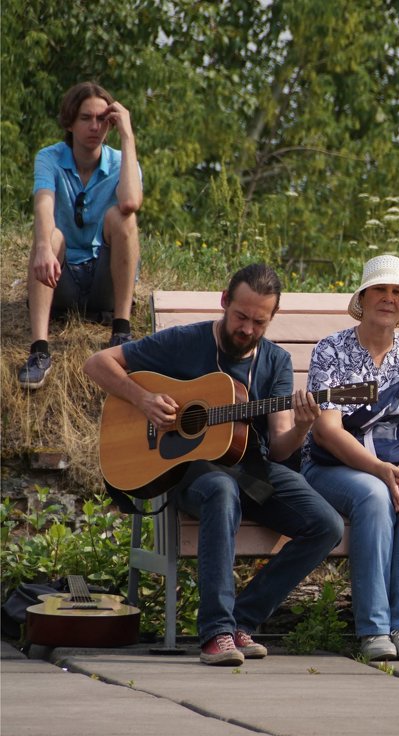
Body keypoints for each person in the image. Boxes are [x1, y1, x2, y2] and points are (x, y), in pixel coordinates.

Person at [83, 264, 343, 666]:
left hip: (251, 469)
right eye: (241, 316)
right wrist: (143, 399)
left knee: (326, 525)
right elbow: (97, 363)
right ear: (224, 302)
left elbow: (277, 448)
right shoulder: (185, 342)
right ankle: (216, 633)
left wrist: (303, 427)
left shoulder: (275, 362)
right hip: (184, 469)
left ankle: (242, 620)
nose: (247, 329)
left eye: (259, 322)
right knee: (221, 490)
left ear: (271, 318)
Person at [302, 255, 399, 662]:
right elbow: (326, 429)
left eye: (398, 291)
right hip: (335, 466)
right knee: (373, 496)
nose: (389, 298)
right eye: (380, 289)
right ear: (363, 297)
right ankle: (374, 628)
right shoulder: (331, 349)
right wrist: (380, 470)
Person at [22, 82, 142, 390]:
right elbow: (44, 203)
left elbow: (130, 202)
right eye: (86, 118)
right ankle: (39, 352)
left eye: (103, 119)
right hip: (60, 277)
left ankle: (121, 331)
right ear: (70, 122)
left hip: (104, 282)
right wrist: (44, 248)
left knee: (123, 218)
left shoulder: (119, 161)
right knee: (51, 236)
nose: (95, 126)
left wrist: (128, 136)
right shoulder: (49, 158)